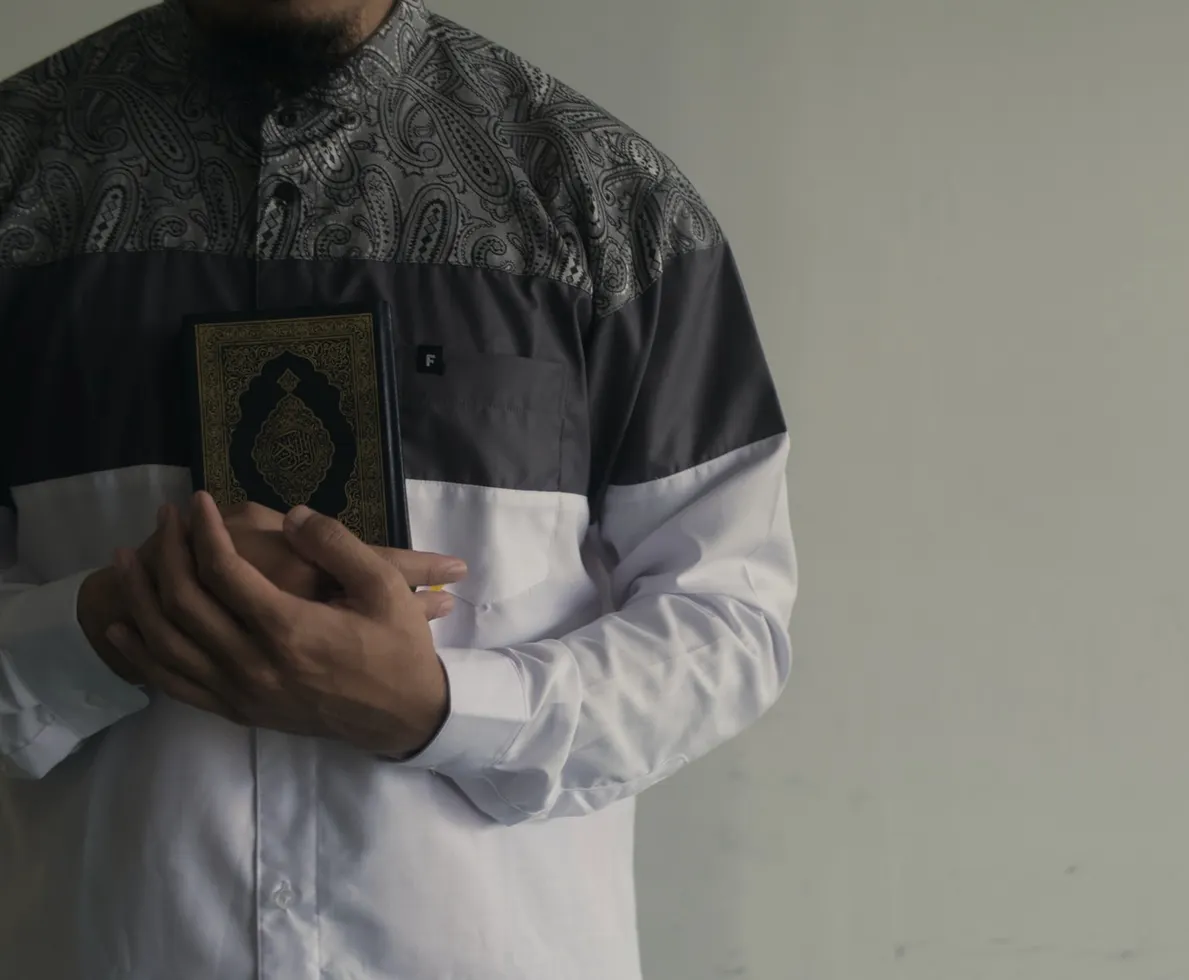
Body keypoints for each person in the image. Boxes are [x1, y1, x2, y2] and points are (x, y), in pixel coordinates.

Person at [0, 0, 798, 976]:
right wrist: (108, 627)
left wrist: (444, 708)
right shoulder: (15, 175)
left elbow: (729, 620)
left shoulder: (611, 202)